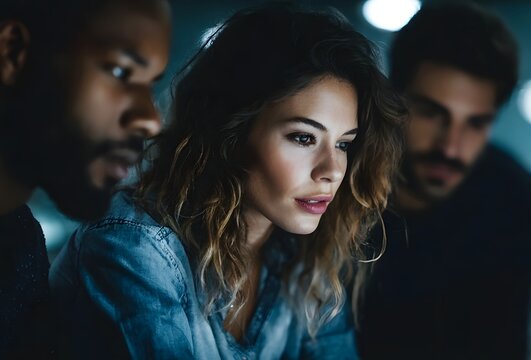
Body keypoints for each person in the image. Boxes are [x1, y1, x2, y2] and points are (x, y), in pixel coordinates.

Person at [50, 3, 405, 359]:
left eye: (344, 144)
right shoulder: (133, 245)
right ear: (231, 132)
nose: (331, 170)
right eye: (303, 138)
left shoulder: (305, 258)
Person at [358, 2, 531, 359]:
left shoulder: (509, 194)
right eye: (430, 113)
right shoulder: (336, 181)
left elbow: (507, 344)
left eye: (476, 123)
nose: (451, 148)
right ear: (393, 99)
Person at [0, 0, 170, 357]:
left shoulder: (20, 240)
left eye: (151, 85)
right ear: (12, 51)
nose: (150, 120)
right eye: (121, 72)